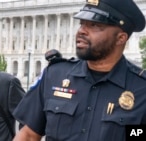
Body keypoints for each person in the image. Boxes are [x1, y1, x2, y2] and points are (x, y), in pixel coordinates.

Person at [13, 0, 146, 140]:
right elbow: (28, 135)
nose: (81, 31)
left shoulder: (141, 89)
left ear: (121, 38)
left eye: (94, 25)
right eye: (82, 23)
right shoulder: (55, 75)